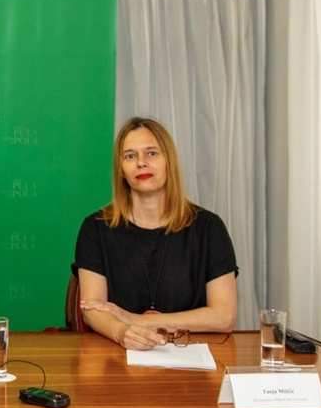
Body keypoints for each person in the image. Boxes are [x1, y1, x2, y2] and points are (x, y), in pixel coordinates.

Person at [73, 117, 237, 349]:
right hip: (117, 353)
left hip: (191, 356)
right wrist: (122, 332)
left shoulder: (209, 228)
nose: (141, 163)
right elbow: (92, 309)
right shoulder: (95, 228)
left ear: (169, 161)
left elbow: (224, 317)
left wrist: (137, 320)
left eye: (151, 153)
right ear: (121, 170)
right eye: (130, 156)